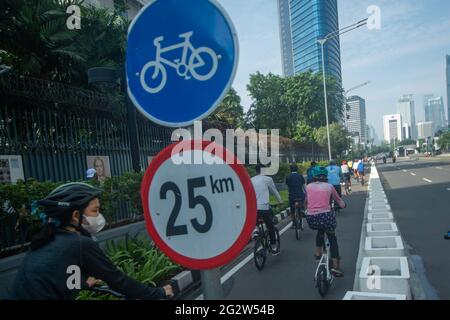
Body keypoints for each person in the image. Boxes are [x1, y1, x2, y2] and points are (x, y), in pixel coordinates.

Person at [8, 183, 174, 300]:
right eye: (95, 210)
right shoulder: (80, 244)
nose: (99, 216)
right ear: (75, 216)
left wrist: (82, 283)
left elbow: (52, 278)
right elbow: (118, 281)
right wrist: (159, 293)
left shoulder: (47, 240)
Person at [304, 167, 346, 277]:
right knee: (332, 238)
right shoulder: (329, 186)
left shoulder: (308, 187)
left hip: (311, 218)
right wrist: (343, 205)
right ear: (325, 177)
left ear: (313, 177)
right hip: (326, 216)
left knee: (320, 230)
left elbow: (306, 201)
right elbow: (339, 200)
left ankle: (318, 253)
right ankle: (336, 267)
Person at [251, 165, 283, 255]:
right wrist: (280, 201)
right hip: (264, 207)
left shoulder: (250, 180)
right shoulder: (268, 179)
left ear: (255, 171)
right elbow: (274, 191)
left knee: (254, 221)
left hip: (253, 208)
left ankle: (255, 230)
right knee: (270, 227)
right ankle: (273, 247)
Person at [285, 163, 306, 228]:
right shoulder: (300, 176)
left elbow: (288, 186)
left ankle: (294, 223)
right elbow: (304, 186)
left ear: (290, 169)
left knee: (292, 210)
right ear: (297, 169)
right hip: (300, 195)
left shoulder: (288, 177)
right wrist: (306, 192)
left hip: (292, 196)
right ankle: (302, 209)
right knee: (303, 199)